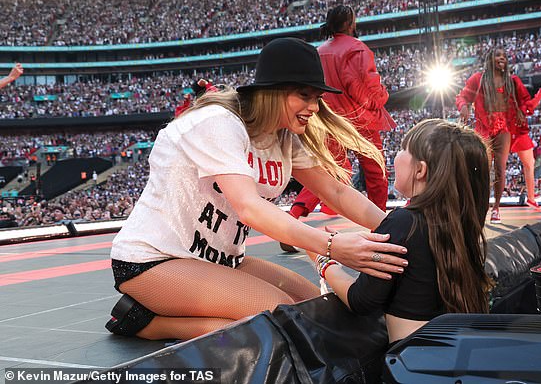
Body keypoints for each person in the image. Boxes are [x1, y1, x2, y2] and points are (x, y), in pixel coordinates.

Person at [106, 37, 408, 341]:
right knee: (278, 321)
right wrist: (330, 246)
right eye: (304, 95)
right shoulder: (218, 123)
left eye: (317, 97)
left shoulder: (283, 136)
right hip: (154, 260)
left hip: (221, 260)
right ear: (273, 92)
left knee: (315, 310)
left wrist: (403, 228)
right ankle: (148, 322)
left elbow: (337, 192)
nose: (314, 107)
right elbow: (248, 206)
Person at [306, 119, 494, 345]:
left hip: (411, 363)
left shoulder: (403, 223)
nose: (396, 156)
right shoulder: (459, 225)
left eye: (403, 149)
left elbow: (361, 300)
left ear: (420, 169)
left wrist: (322, 259)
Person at [281, 5, 395, 252]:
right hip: (359, 119)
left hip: (330, 119)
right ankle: (383, 228)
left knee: (326, 173)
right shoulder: (357, 48)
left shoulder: (320, 52)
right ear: (350, 23)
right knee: (376, 174)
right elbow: (362, 86)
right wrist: (381, 98)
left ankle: (294, 216)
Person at [456, 47, 541, 223]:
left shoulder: (513, 81)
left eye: (504, 56)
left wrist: (539, 95)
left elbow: (526, 103)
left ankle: (496, 208)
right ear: (490, 59)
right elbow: (462, 96)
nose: (501, 58)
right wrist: (464, 106)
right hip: (484, 128)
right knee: (482, 168)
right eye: (498, 55)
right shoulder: (478, 79)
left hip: (504, 129)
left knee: (500, 169)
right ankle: (479, 205)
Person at [508, 84, 541, 209]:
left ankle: (531, 196)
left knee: (529, 164)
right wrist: (540, 93)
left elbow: (531, 105)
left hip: (510, 135)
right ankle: (531, 198)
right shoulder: (518, 105)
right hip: (516, 135)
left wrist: (540, 93)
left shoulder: (506, 104)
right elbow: (532, 104)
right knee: (529, 165)